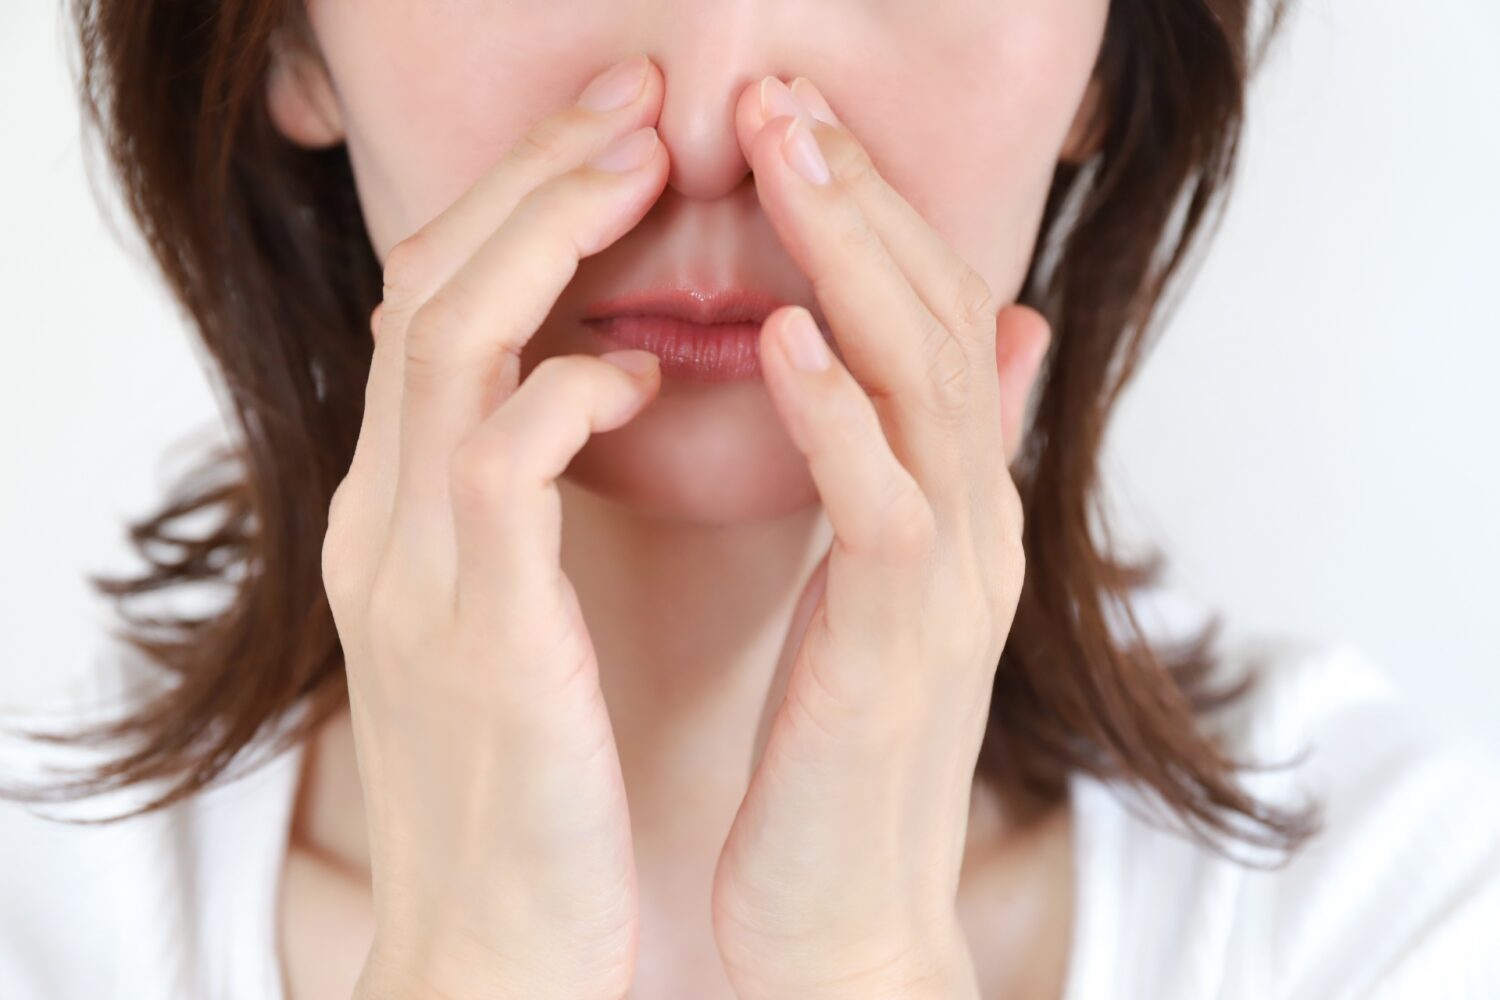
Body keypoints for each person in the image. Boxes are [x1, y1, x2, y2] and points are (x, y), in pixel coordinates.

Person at [2, 1, 1497, 998]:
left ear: (1111, 52)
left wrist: (866, 971)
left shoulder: (1396, 919)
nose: (717, 123)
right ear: (285, 33)